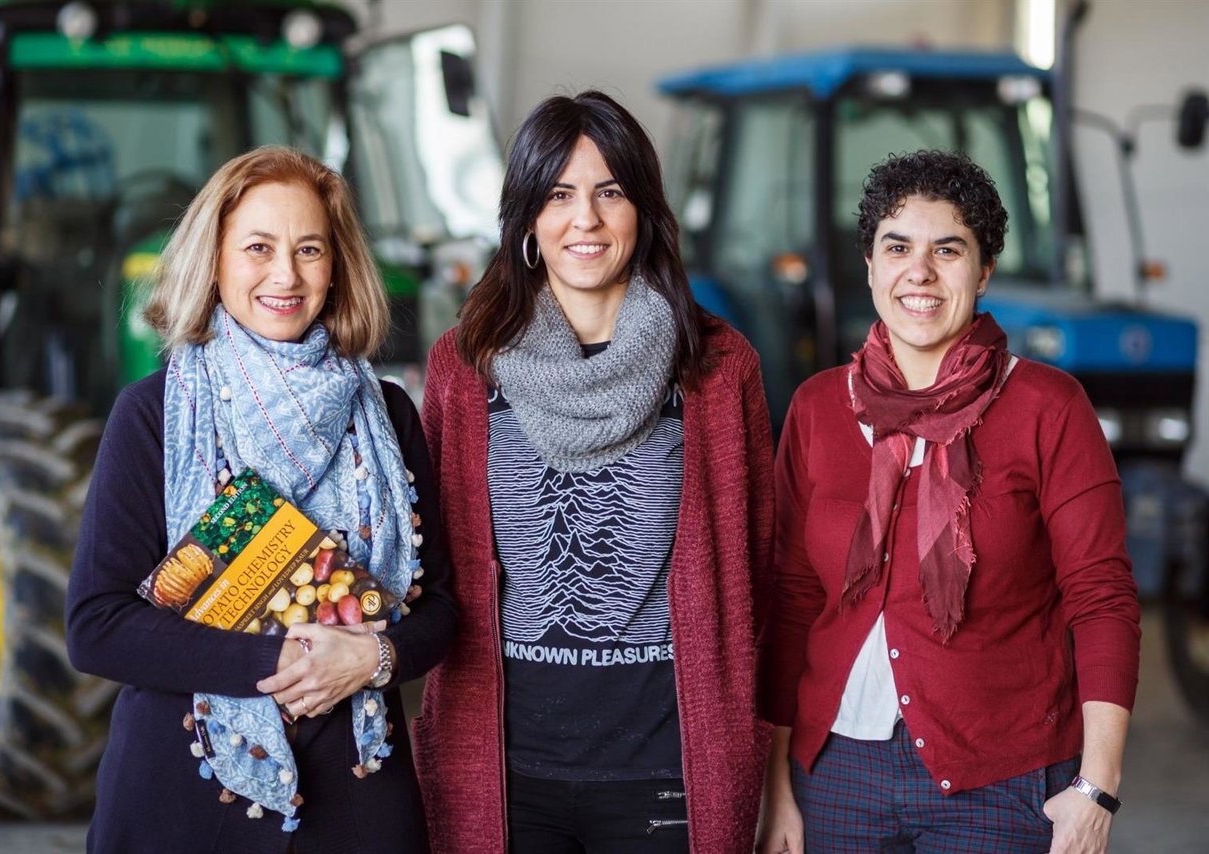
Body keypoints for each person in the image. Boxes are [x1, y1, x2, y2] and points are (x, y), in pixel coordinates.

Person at [411, 90, 774, 853]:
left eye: (610, 192)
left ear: (642, 210)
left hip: (667, 766)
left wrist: (771, 758)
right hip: (506, 770)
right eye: (559, 194)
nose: (587, 219)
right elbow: (433, 562)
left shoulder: (715, 366)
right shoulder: (464, 367)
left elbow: (760, 573)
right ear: (528, 222)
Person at [65, 145, 456, 853]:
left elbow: (443, 611)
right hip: (181, 805)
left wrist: (374, 661)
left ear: (336, 266)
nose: (286, 274)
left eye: (310, 249)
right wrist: (282, 663)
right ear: (214, 260)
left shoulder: (391, 415)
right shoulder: (153, 414)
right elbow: (96, 625)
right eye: (258, 247)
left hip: (358, 801)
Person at [756, 150, 1141, 853]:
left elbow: (1103, 598)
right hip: (835, 775)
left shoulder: (1049, 407)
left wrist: (1096, 787)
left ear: (984, 269)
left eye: (949, 249)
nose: (920, 272)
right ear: (870, 266)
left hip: (1001, 781)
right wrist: (776, 784)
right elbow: (791, 601)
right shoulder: (817, 408)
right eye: (897, 247)